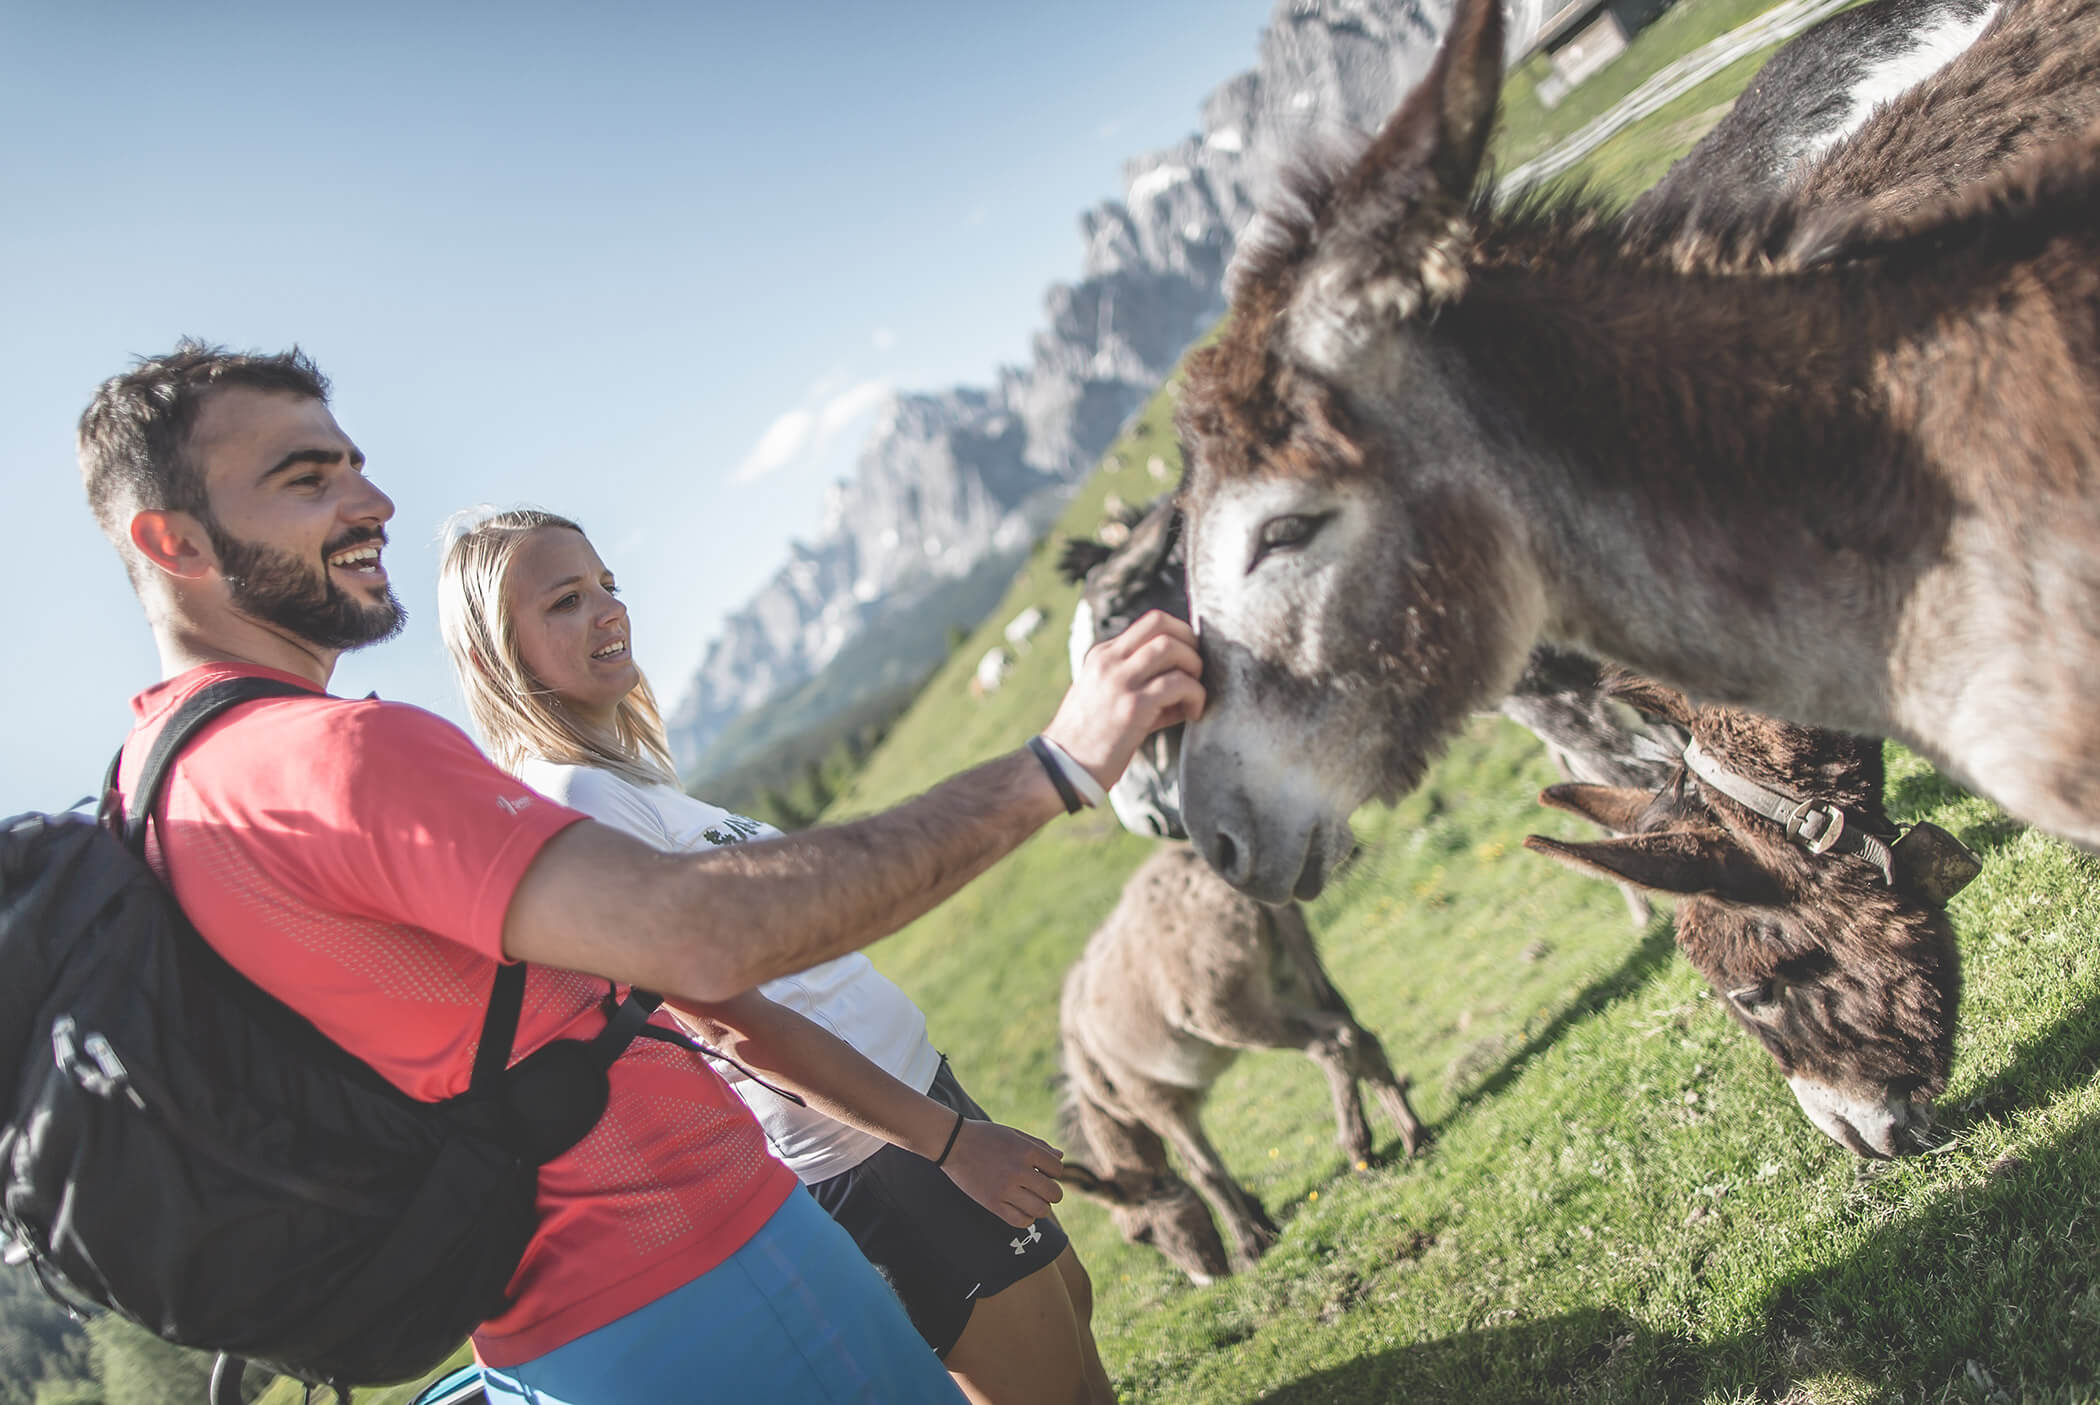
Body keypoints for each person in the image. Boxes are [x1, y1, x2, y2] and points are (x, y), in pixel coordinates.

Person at [76, 342, 1204, 1404]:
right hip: (694, 1269)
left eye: (357, 467)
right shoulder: (334, 755)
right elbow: (703, 951)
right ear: (171, 542)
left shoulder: (160, 788)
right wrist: (1051, 768)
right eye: (305, 478)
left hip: (567, 1321)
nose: (372, 503)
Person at [437, 505, 1117, 1404]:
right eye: (565, 600)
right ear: (497, 655)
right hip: (870, 1149)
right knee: (1042, 1384)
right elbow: (728, 1022)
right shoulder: (573, 797)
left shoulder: (624, 780)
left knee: (1070, 1319)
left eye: (609, 584)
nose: (608, 610)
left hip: (909, 1103)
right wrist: (948, 1143)